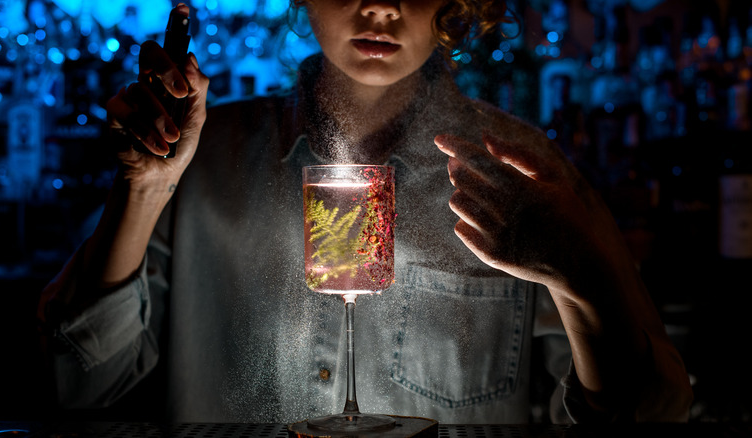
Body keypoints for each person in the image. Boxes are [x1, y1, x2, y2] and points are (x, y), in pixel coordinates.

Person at [37, 0, 693, 424]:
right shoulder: (201, 161)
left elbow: (644, 418)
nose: (380, 6)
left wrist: (579, 274)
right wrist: (145, 188)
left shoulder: (522, 176)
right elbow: (85, 396)